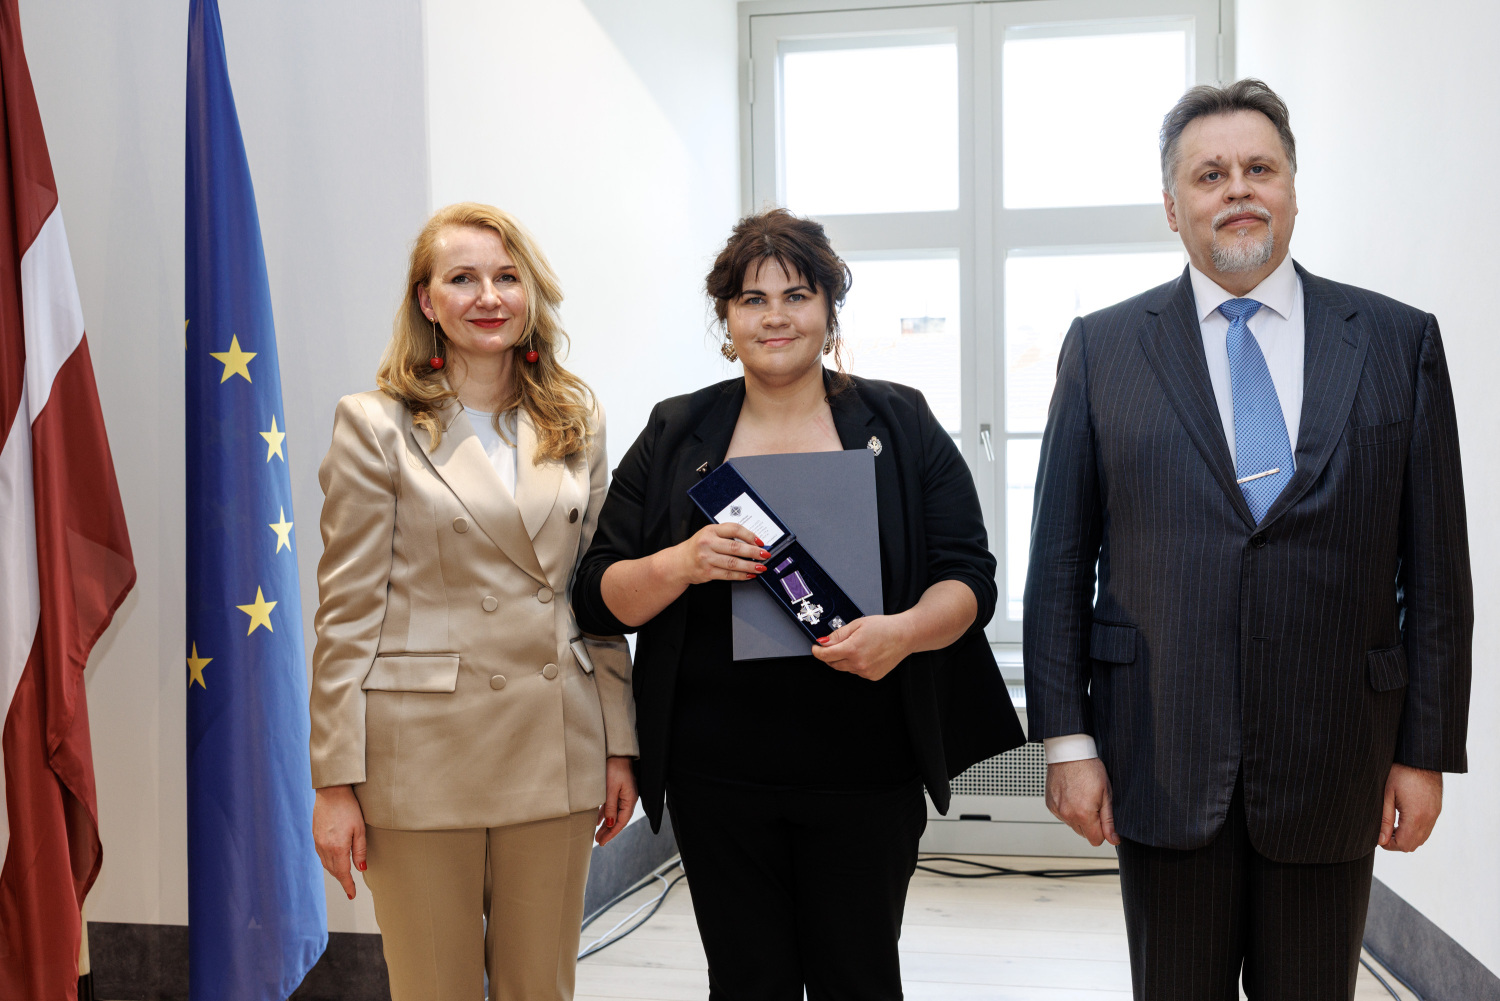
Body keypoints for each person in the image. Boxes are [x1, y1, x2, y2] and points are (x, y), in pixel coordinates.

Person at [1024, 79, 1472, 1000]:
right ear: (1172, 205)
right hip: (1161, 755)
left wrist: (1424, 749)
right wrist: (1066, 743)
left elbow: (1436, 572)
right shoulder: (1103, 349)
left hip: (1334, 759)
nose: (1238, 189)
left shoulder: (1397, 342)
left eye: (1260, 168)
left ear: (1293, 189)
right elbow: (1059, 564)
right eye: (1210, 174)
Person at [572, 208, 1024, 1000]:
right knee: (746, 982)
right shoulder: (677, 430)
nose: (774, 316)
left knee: (860, 979)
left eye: (797, 295)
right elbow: (597, 594)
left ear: (829, 310)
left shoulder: (898, 422)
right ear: (726, 318)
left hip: (867, 769)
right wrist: (681, 562)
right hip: (717, 776)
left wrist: (903, 632)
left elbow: (969, 577)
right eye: (752, 298)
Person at [307, 202, 638, 1001]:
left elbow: (593, 594)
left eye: (506, 277)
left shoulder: (577, 418)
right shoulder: (375, 424)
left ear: (530, 293)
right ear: (427, 300)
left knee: (541, 990)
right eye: (462, 278)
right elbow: (346, 616)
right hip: (421, 758)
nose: (488, 296)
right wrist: (334, 782)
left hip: (556, 742)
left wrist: (619, 743)